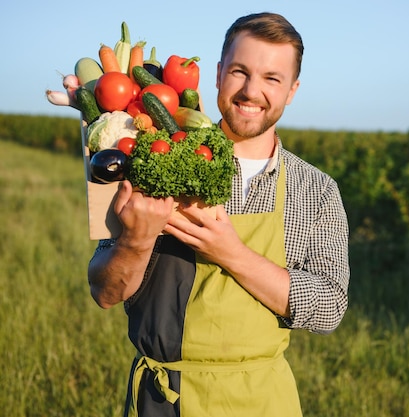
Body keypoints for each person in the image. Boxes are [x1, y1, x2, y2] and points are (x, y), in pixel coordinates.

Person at [87, 12, 350, 417]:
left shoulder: (314, 190)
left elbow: (330, 307)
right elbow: (105, 292)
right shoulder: (153, 159)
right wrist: (136, 240)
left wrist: (231, 252)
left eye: (272, 78)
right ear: (217, 74)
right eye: (240, 72)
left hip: (263, 401)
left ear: (292, 90)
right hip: (164, 401)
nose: (252, 91)